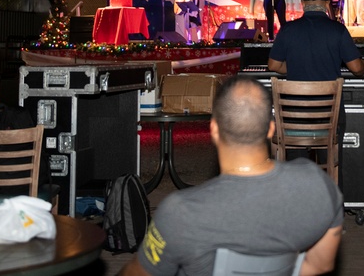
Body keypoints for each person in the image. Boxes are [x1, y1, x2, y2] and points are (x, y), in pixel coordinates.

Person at [119, 76, 343, 276]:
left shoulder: (180, 212)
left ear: (214, 129)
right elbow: (319, 266)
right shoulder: (318, 185)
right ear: (271, 130)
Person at [268, 0, 364, 170]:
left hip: (294, 119)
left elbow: (274, 65)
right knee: (331, 152)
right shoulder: (337, 30)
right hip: (328, 120)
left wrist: (296, 68)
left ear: (303, 4)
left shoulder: (288, 30)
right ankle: (331, 193)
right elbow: (356, 68)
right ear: (326, 4)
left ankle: (297, 195)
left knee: (296, 165)